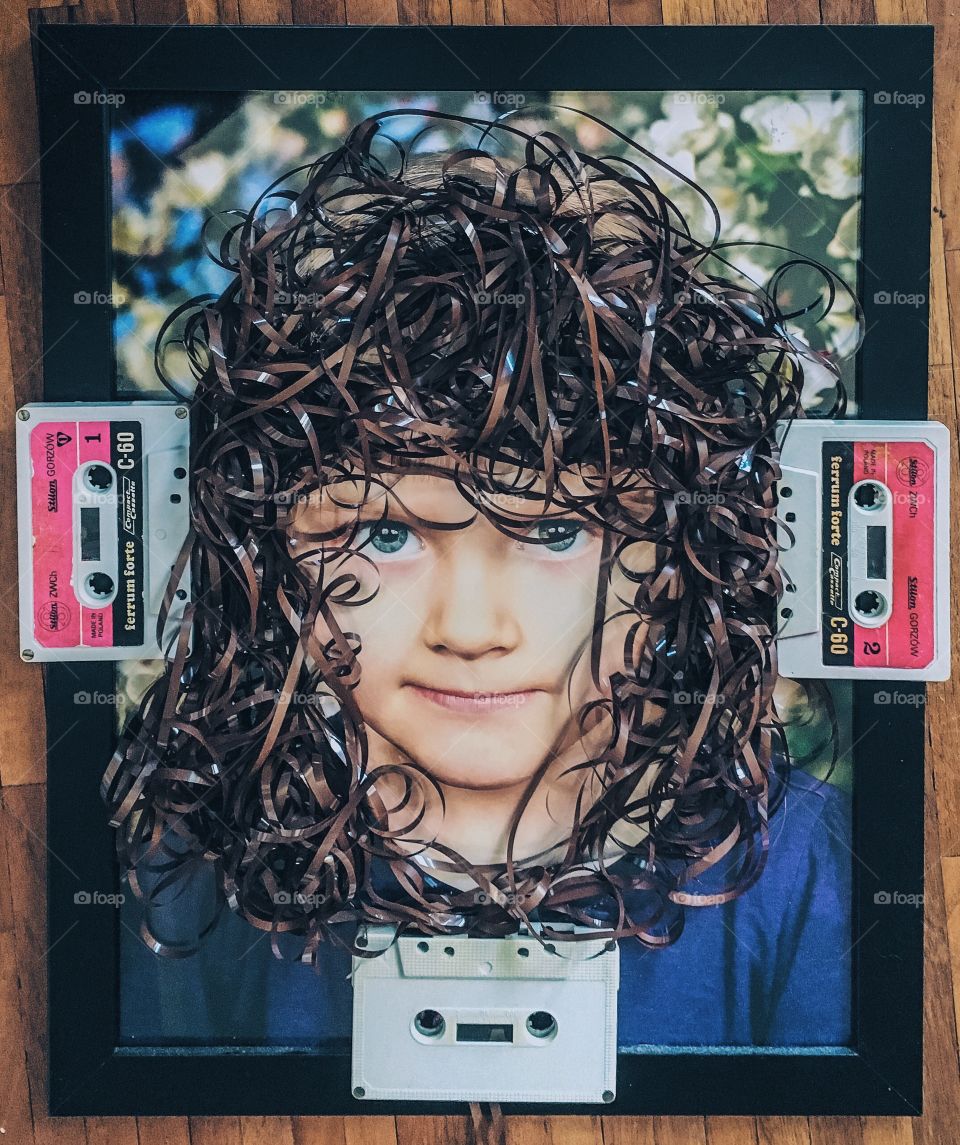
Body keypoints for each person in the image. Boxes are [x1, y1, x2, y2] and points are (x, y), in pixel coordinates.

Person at [110, 105, 853, 1050]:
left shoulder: (799, 867)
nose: (469, 627)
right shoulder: (192, 869)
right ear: (273, 553)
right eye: (382, 535)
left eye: (551, 530)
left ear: (677, 555)